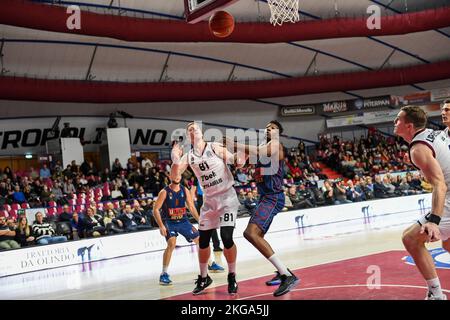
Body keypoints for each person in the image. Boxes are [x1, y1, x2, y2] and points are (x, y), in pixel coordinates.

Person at [171, 121, 244, 295]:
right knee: (203, 242)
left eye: (194, 128)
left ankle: (232, 275)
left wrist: (240, 154)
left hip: (226, 198)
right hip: (209, 202)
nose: (192, 131)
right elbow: (175, 177)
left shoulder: (214, 147)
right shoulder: (188, 156)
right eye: (189, 130)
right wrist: (174, 159)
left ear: (201, 133)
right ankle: (204, 277)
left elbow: (234, 160)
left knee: (226, 238)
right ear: (188, 136)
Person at [232, 120, 299, 297]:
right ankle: (283, 270)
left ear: (279, 132)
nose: (269, 129)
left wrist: (235, 144)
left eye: (273, 127)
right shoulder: (263, 146)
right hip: (265, 197)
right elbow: (244, 160)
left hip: (272, 196)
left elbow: (259, 152)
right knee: (257, 236)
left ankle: (287, 276)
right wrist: (238, 159)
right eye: (268, 127)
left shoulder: (276, 145)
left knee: (250, 234)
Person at [394, 104, 450, 300]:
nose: (394, 122)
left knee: (410, 239)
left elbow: (440, 185)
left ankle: (436, 294)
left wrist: (434, 220)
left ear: (409, 126)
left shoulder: (418, 148)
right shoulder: (433, 134)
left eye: (398, 119)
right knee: (448, 244)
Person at [153, 175, 201, 285]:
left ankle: (210, 263)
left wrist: (199, 220)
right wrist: (161, 225)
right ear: (170, 176)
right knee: (171, 243)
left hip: (183, 221)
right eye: (175, 174)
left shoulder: (185, 190)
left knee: (200, 240)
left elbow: (191, 207)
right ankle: (164, 274)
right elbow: (155, 209)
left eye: (179, 174)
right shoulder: (164, 192)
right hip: (169, 222)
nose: (177, 176)